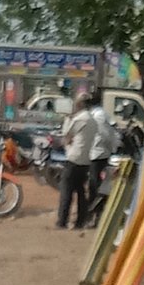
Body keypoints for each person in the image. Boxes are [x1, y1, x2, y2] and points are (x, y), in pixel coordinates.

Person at [57, 94, 97, 230]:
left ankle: (62, 221)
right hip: (85, 160)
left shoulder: (80, 119)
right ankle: (80, 221)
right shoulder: (92, 120)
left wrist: (67, 120)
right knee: (81, 192)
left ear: (80, 104)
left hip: (74, 159)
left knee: (66, 192)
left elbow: (66, 138)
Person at [86, 91, 117, 224]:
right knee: (94, 185)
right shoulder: (96, 114)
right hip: (96, 153)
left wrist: (110, 149)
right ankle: (93, 214)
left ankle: (96, 215)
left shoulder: (99, 115)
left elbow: (105, 135)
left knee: (96, 186)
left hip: (98, 154)